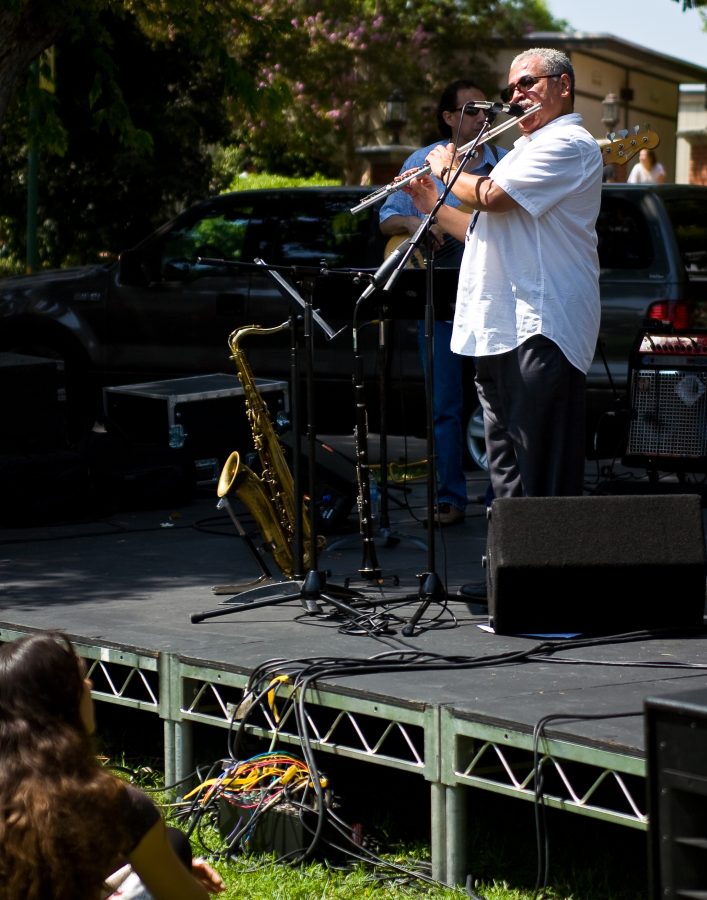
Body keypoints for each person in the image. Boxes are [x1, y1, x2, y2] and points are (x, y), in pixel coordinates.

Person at [401, 48, 603, 597]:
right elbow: (480, 231)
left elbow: (491, 197)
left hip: (542, 326)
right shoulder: (521, 149)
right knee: (506, 475)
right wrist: (430, 200)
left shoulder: (569, 143)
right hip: (496, 327)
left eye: (527, 83)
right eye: (511, 86)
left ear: (562, 85)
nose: (516, 95)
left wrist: (447, 168)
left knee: (543, 473)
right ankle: (516, 591)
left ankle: (556, 594)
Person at [0, 631, 225, 900]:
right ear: (62, 704)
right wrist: (173, 876)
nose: (89, 684)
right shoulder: (116, 803)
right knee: (169, 847)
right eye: (78, 679)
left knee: (173, 843)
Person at [379, 79, 506, 527]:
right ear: (449, 118)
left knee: (498, 404)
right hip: (439, 298)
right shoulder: (423, 161)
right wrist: (421, 226)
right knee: (445, 405)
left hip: (490, 297)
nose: (480, 118)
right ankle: (450, 497)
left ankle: (499, 500)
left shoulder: (506, 164)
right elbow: (387, 217)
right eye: (470, 110)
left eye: (484, 110)